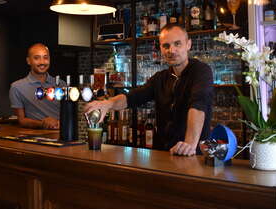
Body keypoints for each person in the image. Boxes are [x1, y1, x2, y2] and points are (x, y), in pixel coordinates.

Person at [85, 23, 213, 156]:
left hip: (194, 156)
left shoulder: (201, 71)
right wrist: (108, 103)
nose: (171, 50)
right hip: (165, 155)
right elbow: (133, 97)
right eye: (166, 46)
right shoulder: (160, 78)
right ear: (161, 49)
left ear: (188, 44)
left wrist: (190, 144)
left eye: (177, 44)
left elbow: (199, 104)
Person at [9, 43, 65, 129]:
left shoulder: (62, 84)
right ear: (28, 61)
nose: (42, 62)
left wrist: (59, 123)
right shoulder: (16, 87)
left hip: (62, 134)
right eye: (36, 58)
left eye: (45, 57)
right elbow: (22, 120)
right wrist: (43, 123)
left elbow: (68, 114)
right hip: (34, 135)